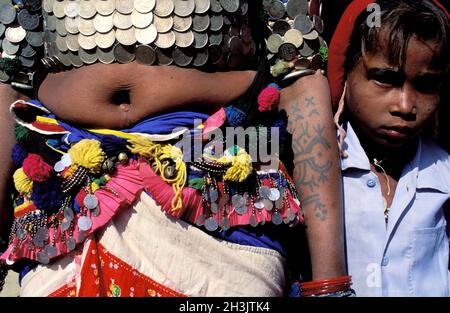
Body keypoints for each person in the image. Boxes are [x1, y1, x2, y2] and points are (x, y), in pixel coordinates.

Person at [0, 0, 349, 297]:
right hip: (67, 190)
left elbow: (300, 79)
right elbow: (7, 81)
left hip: (220, 197)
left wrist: (329, 285)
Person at [327, 0, 450, 296]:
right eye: (384, 78)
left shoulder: (444, 173)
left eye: (426, 85)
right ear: (345, 73)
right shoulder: (315, 170)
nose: (406, 106)